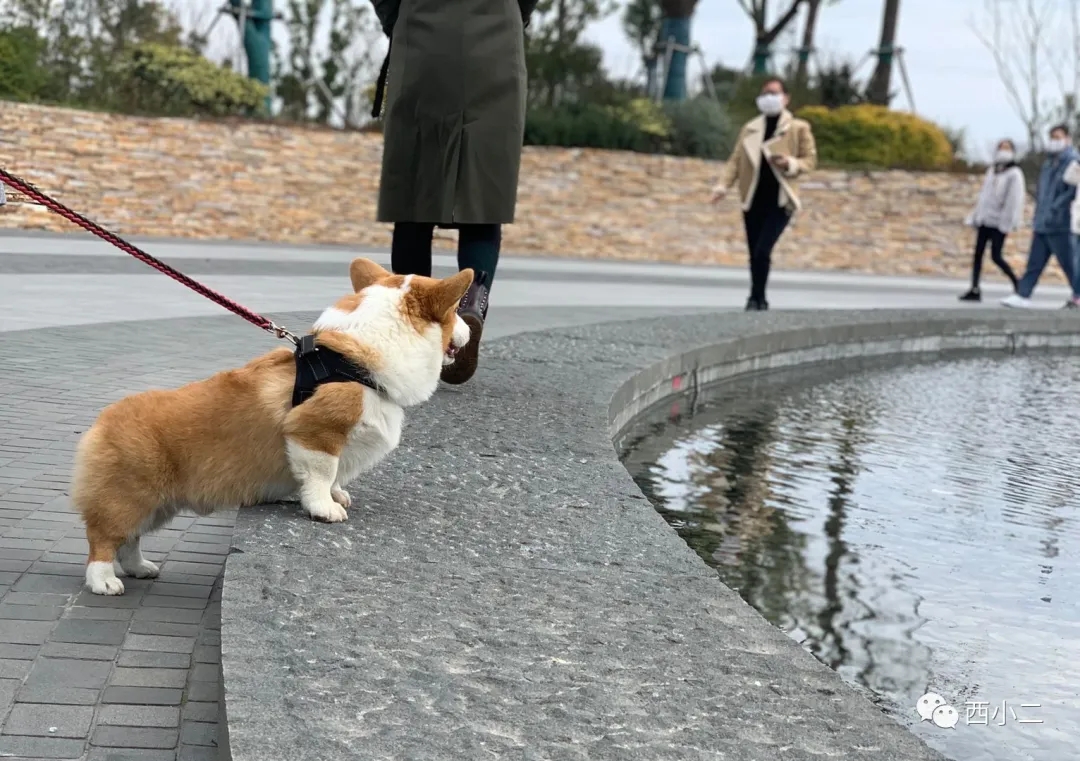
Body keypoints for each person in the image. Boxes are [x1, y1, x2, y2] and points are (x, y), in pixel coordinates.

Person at [369, 0, 537, 384]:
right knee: (483, 193)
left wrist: (397, 17)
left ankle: (417, 328)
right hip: (496, 32)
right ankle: (472, 301)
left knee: (414, 198)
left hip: (423, 30)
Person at [711, 77, 817, 311]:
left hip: (780, 199)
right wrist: (722, 186)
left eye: (774, 93)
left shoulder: (798, 128)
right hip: (753, 197)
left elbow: (810, 161)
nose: (769, 97)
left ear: (786, 98)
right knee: (754, 251)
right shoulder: (750, 128)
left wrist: (789, 163)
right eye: (765, 93)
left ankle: (759, 297)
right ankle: (755, 297)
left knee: (763, 249)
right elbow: (736, 161)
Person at [1002, 124, 1079, 309]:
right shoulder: (1048, 163)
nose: (1054, 141)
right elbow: (1042, 191)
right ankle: (1023, 294)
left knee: (1070, 263)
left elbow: (1071, 192)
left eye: (1058, 136)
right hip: (1043, 222)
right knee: (1034, 263)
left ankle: (1077, 295)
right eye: (1052, 136)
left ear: (1067, 139)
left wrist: (1055, 209)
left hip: (1061, 223)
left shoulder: (1073, 161)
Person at [958, 139, 1025, 302]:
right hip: (985, 219)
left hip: (1000, 222)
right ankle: (975, 287)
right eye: (1001, 148)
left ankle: (1018, 284)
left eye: (1007, 148)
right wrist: (976, 216)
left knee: (996, 256)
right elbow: (984, 196)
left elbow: (1014, 200)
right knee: (978, 254)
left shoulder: (1014, 174)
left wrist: (1007, 223)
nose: (1003, 151)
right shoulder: (992, 171)